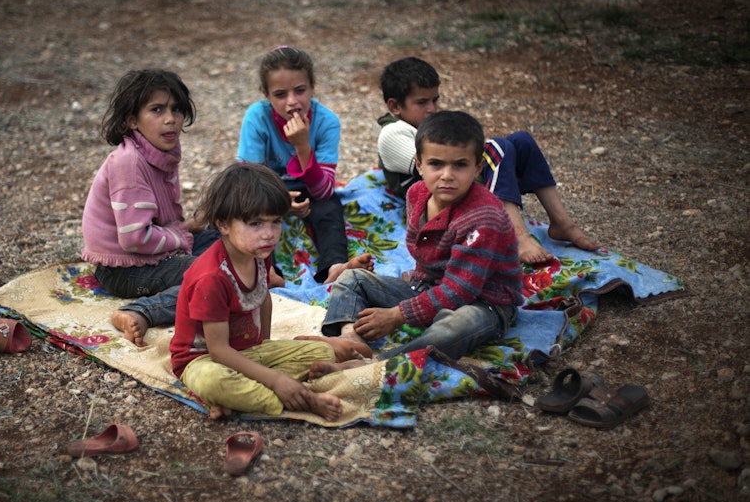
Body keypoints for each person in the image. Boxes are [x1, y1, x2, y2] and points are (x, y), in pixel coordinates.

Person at [300, 110, 524, 376]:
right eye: (436, 164)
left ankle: (379, 363)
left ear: (477, 168)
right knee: (352, 278)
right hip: (429, 287)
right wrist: (418, 286)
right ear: (419, 164)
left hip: (484, 303)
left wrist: (398, 315)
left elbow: (458, 292)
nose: (447, 175)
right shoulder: (417, 194)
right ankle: (352, 341)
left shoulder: (483, 217)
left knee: (457, 326)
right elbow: (424, 253)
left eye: (460, 165)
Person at [376, 56, 599, 266]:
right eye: (422, 102)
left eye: (435, 100)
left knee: (521, 140)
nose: (432, 109)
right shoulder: (392, 133)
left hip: (459, 183)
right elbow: (436, 166)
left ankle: (562, 223)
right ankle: (517, 235)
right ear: (395, 107)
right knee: (497, 148)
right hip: (440, 193)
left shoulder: (424, 128)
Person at [169, 163, 344, 422]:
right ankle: (301, 399)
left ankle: (236, 400)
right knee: (214, 382)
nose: (269, 234)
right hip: (203, 359)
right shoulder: (212, 278)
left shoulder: (258, 254)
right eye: (255, 224)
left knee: (323, 353)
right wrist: (274, 379)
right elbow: (218, 350)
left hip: (245, 351)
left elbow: (263, 297)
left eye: (276, 222)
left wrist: (265, 348)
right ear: (223, 225)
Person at [81, 69, 219, 346]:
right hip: (123, 267)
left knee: (225, 236)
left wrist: (187, 227)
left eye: (176, 109)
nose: (170, 119)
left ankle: (252, 274)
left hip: (152, 250)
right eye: (157, 109)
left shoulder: (162, 152)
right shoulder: (129, 162)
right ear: (132, 119)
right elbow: (133, 238)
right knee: (208, 278)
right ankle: (141, 311)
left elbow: (158, 217)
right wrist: (180, 235)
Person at [237, 46, 373, 283]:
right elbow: (247, 179)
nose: (292, 102)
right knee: (244, 213)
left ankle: (334, 265)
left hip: (311, 187)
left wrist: (302, 146)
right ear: (265, 95)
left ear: (313, 86)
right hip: (264, 188)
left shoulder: (327, 121)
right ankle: (266, 271)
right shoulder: (257, 117)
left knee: (330, 208)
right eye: (280, 94)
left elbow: (324, 189)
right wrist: (279, 200)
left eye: (300, 91)